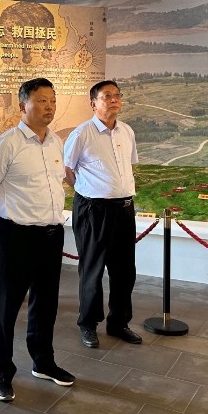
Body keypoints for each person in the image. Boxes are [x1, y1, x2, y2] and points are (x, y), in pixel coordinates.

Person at [0, 77, 75, 402]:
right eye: (42, 100)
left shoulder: (56, 142)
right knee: (7, 308)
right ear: (23, 106)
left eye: (52, 100)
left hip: (51, 234)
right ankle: (0, 372)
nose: (49, 107)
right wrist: (4, 221)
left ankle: (43, 362)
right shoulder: (7, 143)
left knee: (46, 304)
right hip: (17, 236)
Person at [64, 80, 142, 348]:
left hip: (124, 209)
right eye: (107, 96)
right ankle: (88, 323)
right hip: (93, 210)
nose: (114, 99)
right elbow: (66, 170)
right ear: (93, 103)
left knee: (124, 271)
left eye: (117, 95)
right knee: (92, 270)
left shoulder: (127, 131)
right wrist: (87, 190)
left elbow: (129, 166)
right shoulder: (82, 133)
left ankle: (119, 322)